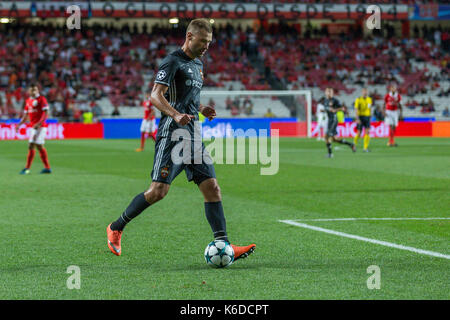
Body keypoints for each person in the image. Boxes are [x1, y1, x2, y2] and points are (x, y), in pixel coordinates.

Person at [106, 19, 256, 262]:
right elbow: (155, 96)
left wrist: (200, 109)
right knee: (158, 191)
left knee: (212, 187)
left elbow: (187, 99)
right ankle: (116, 226)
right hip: (171, 134)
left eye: (209, 42)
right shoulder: (172, 61)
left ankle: (223, 243)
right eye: (203, 41)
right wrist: (176, 114)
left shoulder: (198, 64)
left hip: (193, 135)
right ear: (189, 37)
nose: (207, 46)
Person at [15, 84, 52, 174]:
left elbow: (46, 113)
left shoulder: (42, 99)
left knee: (31, 144)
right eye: (32, 90)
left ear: (38, 90)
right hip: (33, 127)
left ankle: (27, 168)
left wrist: (39, 123)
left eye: (35, 90)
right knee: (39, 146)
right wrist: (19, 124)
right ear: (29, 91)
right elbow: (26, 115)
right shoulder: (28, 101)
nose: (34, 91)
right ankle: (47, 168)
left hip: (41, 127)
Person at [323, 87, 356, 158]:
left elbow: (343, 108)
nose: (327, 93)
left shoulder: (335, 100)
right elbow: (327, 109)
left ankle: (330, 154)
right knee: (333, 139)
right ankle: (351, 144)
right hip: (329, 120)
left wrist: (336, 110)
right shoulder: (325, 100)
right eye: (327, 91)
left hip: (334, 120)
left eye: (329, 91)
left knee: (328, 136)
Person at [353, 88, 373, 152]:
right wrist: (357, 118)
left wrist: (370, 116)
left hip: (367, 117)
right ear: (362, 92)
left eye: (366, 91)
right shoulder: (358, 99)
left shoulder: (369, 99)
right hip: (360, 117)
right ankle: (353, 145)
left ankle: (365, 148)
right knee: (359, 133)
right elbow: (356, 109)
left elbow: (370, 108)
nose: (365, 93)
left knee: (367, 132)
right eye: (364, 91)